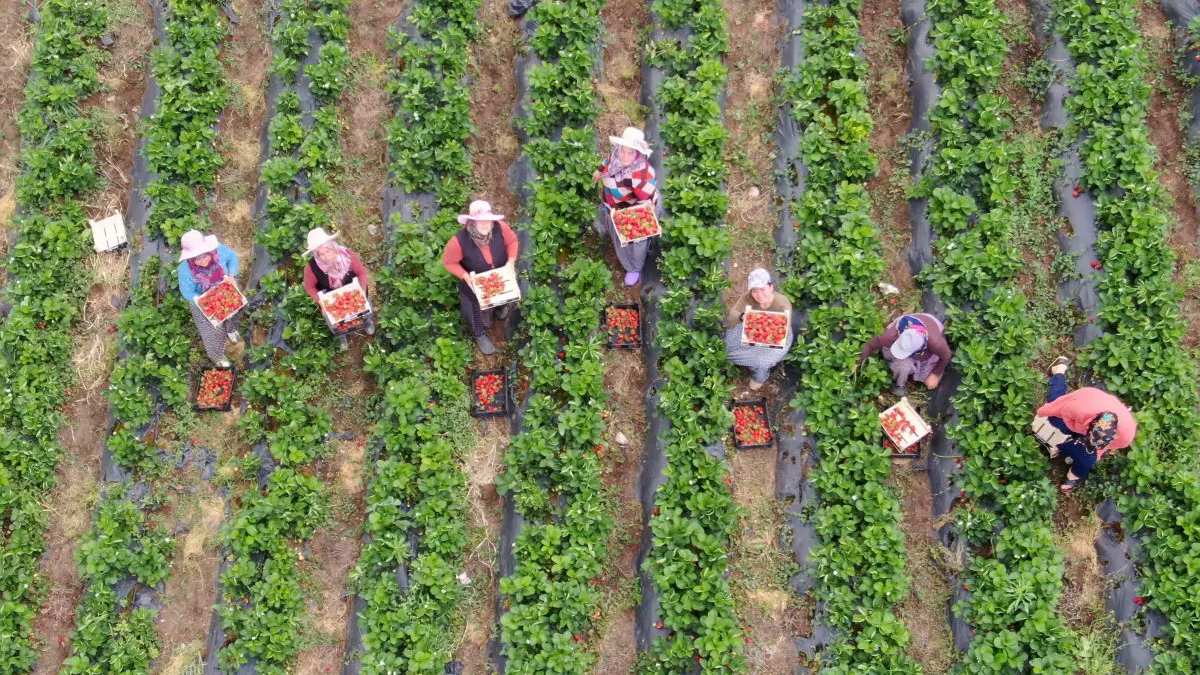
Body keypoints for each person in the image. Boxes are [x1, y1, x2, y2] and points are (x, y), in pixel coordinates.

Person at [1035, 357, 1136, 492]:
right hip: (1083, 402)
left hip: (1095, 418)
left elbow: (1104, 448)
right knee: (1054, 416)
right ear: (1090, 424)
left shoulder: (1126, 436)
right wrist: (1041, 414)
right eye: (1090, 437)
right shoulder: (1078, 407)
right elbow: (1050, 409)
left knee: (1088, 459)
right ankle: (1059, 370)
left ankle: (1073, 473)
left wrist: (1095, 452)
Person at [443, 200, 519, 355]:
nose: (485, 224)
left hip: (496, 276)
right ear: (472, 222)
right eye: (480, 221)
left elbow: (512, 242)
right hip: (474, 282)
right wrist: (464, 275)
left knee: (502, 295)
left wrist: (510, 262)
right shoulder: (458, 241)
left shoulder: (500, 228)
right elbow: (449, 262)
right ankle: (480, 334)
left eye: (488, 220)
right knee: (475, 311)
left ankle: (498, 310)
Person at [592, 126, 659, 287]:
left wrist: (635, 217)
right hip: (613, 207)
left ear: (638, 153)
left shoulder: (642, 173)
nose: (625, 156)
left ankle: (635, 268)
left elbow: (647, 200)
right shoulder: (615, 157)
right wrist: (598, 172)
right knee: (618, 238)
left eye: (630, 152)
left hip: (633, 211)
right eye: (623, 150)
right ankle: (629, 264)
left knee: (636, 241)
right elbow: (606, 163)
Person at [302, 227, 374, 350]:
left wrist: (360, 292)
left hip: (354, 291)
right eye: (321, 254)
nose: (325, 256)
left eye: (327, 251)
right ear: (316, 254)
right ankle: (342, 336)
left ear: (333, 248)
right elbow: (309, 287)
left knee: (364, 310)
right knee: (336, 322)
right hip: (331, 299)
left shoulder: (348, 256)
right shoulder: (311, 268)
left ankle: (367, 323)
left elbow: (361, 273)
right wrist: (321, 301)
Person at [177, 229, 240, 367]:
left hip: (224, 290)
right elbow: (187, 292)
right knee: (212, 330)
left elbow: (232, 258)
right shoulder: (184, 270)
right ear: (190, 258)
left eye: (205, 255)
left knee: (231, 313)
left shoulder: (220, 251)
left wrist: (232, 275)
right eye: (197, 258)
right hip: (202, 301)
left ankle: (231, 330)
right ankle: (217, 356)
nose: (203, 260)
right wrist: (201, 300)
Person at [725, 268, 793, 390]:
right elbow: (732, 314)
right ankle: (747, 359)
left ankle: (759, 377)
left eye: (763, 289)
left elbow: (781, 332)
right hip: (754, 331)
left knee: (761, 362)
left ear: (771, 287)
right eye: (755, 291)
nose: (759, 295)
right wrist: (742, 316)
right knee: (727, 346)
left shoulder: (782, 304)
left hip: (778, 337)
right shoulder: (748, 297)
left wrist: (759, 332)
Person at [859, 312, 952, 395]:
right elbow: (869, 345)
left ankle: (913, 369)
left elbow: (946, 356)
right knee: (902, 366)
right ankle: (899, 383)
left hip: (932, 328)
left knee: (928, 380)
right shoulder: (891, 335)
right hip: (916, 322)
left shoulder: (935, 343)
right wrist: (860, 364)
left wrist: (935, 375)